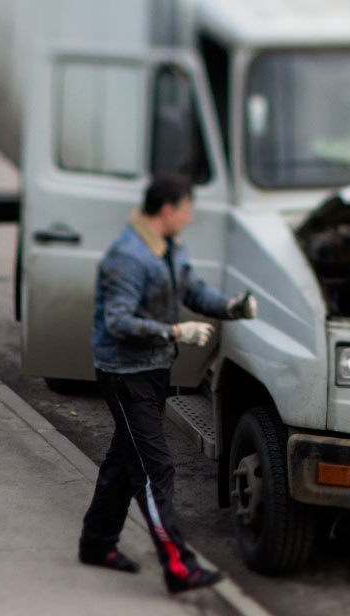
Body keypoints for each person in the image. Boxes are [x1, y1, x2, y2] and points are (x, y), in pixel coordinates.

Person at [78, 174, 257, 593]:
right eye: (188, 209)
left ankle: (96, 544)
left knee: (125, 462)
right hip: (126, 374)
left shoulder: (168, 249)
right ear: (167, 210)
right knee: (154, 468)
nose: (191, 217)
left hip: (152, 369)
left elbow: (193, 289)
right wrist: (175, 332)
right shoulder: (129, 256)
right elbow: (117, 321)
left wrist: (231, 308)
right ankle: (179, 567)